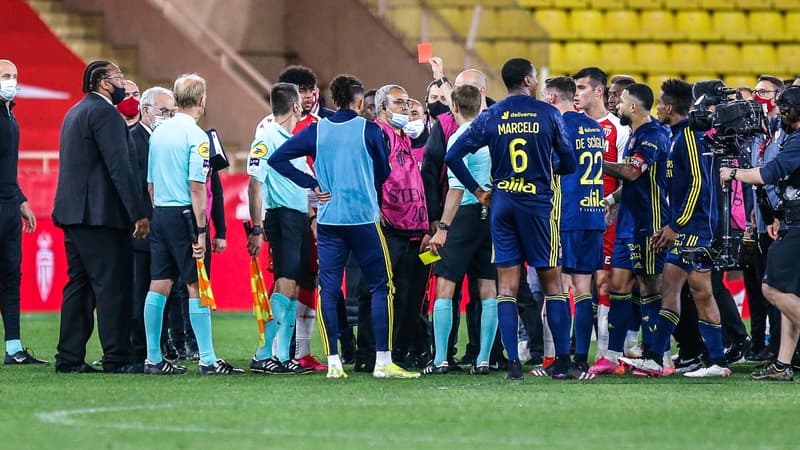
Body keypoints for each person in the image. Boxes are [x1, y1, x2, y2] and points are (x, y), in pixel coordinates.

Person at [446, 58, 589, 380]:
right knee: (553, 284)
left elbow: (452, 156)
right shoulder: (549, 113)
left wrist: (479, 191)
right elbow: (568, 161)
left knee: (507, 288)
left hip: (503, 204)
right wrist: (546, 166)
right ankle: (562, 363)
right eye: (535, 76)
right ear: (527, 79)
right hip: (537, 205)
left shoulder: (492, 115)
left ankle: (513, 365)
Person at [269, 74, 419, 379]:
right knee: (381, 286)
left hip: (329, 219)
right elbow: (384, 169)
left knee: (330, 289)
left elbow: (278, 159)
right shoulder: (369, 129)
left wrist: (311, 183)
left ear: (333, 100)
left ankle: (334, 362)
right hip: (363, 218)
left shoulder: (317, 130)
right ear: (360, 101)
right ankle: (382, 361)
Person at [622, 78, 730, 377]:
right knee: (687, 290)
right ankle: (691, 359)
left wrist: (676, 224)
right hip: (689, 226)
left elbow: (699, 183)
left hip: (694, 228)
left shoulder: (690, 138)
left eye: (659, 103)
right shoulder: (675, 136)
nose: (657, 107)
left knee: (687, 289)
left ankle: (677, 358)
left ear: (669, 107)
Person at [53, 60, 149, 373]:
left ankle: (69, 357)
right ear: (103, 82)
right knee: (114, 287)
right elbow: (120, 168)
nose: (123, 82)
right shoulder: (106, 114)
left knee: (79, 287)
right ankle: (117, 358)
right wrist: (139, 214)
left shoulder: (74, 112)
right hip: (101, 216)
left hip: (74, 215)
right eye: (119, 76)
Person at [143, 73, 242, 375]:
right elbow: (197, 187)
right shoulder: (198, 138)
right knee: (196, 285)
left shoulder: (157, 132)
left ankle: (153, 358)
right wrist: (201, 231)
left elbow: (149, 185)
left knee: (159, 284)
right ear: (202, 101)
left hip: (161, 213)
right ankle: (208, 360)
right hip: (185, 216)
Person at [719, 85, 800, 381]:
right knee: (790, 294)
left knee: (772, 288)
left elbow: (768, 173)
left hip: (799, 225)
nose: (779, 112)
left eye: (783, 107)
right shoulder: (792, 137)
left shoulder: (798, 140)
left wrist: (733, 173)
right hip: (791, 219)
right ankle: (783, 364)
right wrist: (777, 215)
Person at [591, 83, 670, 376]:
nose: (618, 105)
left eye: (622, 101)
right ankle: (612, 357)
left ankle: (658, 357)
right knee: (618, 287)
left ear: (634, 107)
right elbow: (633, 181)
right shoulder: (637, 134)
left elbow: (633, 172)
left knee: (650, 287)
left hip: (648, 223)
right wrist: (612, 200)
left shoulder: (653, 134)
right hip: (628, 221)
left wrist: (595, 159)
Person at [426, 84, 496, 375]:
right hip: (492, 216)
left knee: (445, 285)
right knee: (488, 287)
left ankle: (441, 357)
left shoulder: (458, 136)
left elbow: (455, 188)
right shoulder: (494, 137)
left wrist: (442, 227)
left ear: (454, 109)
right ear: (481, 106)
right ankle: (483, 359)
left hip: (464, 215)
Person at [246, 82, 313, 375]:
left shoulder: (289, 138)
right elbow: (254, 183)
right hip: (281, 217)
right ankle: (263, 353)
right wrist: (257, 227)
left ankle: (284, 357)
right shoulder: (267, 138)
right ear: (295, 106)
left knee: (293, 286)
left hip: (297, 218)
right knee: (285, 282)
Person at [541, 76, 605, 373]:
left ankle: (560, 359)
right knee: (583, 288)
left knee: (559, 286)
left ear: (552, 98)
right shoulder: (594, 127)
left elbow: (552, 167)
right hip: (593, 213)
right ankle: (580, 356)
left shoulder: (557, 126)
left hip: (566, 213)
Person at [573, 67, 633, 360]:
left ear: (599, 91)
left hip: (608, 217)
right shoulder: (569, 124)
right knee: (574, 282)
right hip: (575, 215)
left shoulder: (618, 129)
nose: (576, 94)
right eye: (574, 88)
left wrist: (610, 202)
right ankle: (560, 350)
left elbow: (627, 176)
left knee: (604, 282)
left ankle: (606, 352)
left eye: (582, 87)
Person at [372, 85, 430, 368]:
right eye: (399, 103)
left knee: (411, 296)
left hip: (415, 227)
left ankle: (402, 351)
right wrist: (374, 206)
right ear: (382, 108)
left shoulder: (404, 137)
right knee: (385, 292)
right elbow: (366, 171)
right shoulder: (377, 135)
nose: (406, 108)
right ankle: (376, 352)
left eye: (408, 103)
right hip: (390, 225)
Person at [0, 59, 45, 365]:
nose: (11, 80)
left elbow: (7, 169)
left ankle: (14, 348)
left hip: (8, 207)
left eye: (14, 75)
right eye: (5, 75)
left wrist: (20, 200)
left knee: (11, 276)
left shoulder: (9, 115)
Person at [128, 86, 175, 366]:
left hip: (163, 227)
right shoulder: (133, 140)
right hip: (142, 228)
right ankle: (139, 348)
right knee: (140, 289)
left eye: (171, 112)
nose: (167, 117)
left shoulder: (167, 140)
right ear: (145, 111)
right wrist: (141, 217)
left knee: (163, 286)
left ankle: (157, 346)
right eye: (163, 112)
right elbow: (134, 185)